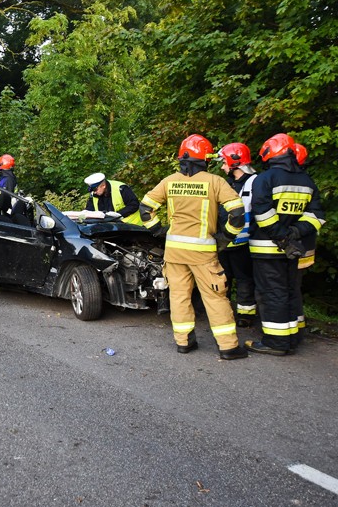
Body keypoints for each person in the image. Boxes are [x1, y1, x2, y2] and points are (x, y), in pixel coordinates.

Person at [139, 134, 247, 360]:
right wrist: (225, 237)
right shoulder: (215, 182)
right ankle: (228, 347)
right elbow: (237, 214)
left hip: (175, 252)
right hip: (203, 254)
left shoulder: (169, 181)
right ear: (204, 159)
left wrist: (160, 231)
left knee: (178, 296)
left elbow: (145, 209)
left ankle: (184, 342)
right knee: (215, 297)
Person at [246, 134, 325, 356]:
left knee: (273, 293)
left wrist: (282, 237)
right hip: (294, 248)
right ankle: (292, 336)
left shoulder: (266, 178)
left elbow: (262, 212)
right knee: (290, 290)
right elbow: (316, 215)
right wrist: (295, 233)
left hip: (267, 248)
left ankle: (276, 342)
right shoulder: (306, 180)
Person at [215, 143, 258, 328]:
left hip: (244, 242)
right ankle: (225, 312)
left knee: (244, 278)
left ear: (235, 162)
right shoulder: (226, 182)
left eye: (224, 162)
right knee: (224, 278)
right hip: (224, 240)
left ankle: (245, 314)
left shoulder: (255, 182)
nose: (222, 166)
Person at [292, 143, 316, 342]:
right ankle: (297, 325)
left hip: (294, 245)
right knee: (293, 287)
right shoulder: (307, 182)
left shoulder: (295, 182)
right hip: (305, 244)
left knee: (290, 287)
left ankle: (295, 327)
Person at [0, 154, 29, 224]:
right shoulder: (7, 177)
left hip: (4, 209)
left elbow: (6, 196)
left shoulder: (8, 179)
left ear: (3, 165)